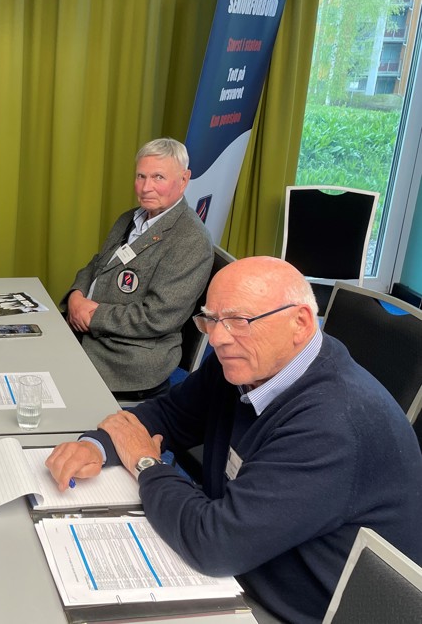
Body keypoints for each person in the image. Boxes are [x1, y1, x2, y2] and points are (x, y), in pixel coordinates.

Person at [46, 257, 422, 623]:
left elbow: (215, 543)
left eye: (239, 321)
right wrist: (96, 446)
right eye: (210, 320)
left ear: (300, 323)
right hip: (244, 561)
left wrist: (146, 463)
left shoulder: (334, 425)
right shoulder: (248, 362)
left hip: (291, 606)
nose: (218, 338)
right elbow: (170, 415)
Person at [62, 137, 213, 399]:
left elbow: (157, 316)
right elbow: (97, 264)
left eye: (158, 177)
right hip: (85, 333)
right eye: (141, 176)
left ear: (184, 180)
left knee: (38, 382)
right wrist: (76, 297)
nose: (145, 187)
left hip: (125, 358)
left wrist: (91, 315)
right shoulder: (129, 218)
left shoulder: (191, 240)